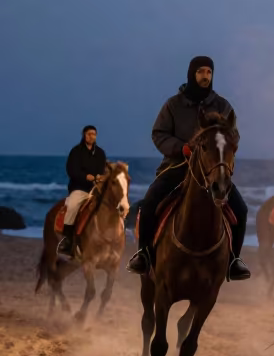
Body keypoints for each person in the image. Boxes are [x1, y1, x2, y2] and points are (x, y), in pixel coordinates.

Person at [127, 56, 250, 280]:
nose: (205, 76)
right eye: (201, 72)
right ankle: (143, 254)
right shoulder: (173, 105)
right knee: (150, 201)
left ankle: (234, 260)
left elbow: (234, 135)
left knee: (240, 209)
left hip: (211, 170)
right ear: (192, 74)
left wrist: (224, 150)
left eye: (209, 72)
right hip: (177, 166)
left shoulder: (222, 105)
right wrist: (180, 148)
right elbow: (158, 134)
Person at [57, 125, 108, 258]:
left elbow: (103, 170)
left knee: (111, 205)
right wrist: (86, 177)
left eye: (94, 134)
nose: (92, 136)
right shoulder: (76, 151)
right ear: (84, 135)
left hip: (95, 188)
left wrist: (102, 177)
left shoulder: (100, 153)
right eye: (89, 134)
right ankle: (67, 240)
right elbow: (71, 170)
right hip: (79, 187)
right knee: (72, 206)